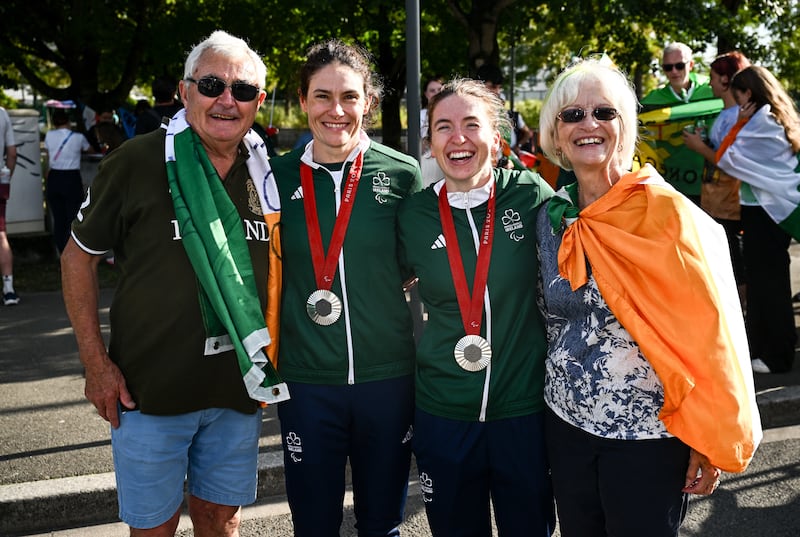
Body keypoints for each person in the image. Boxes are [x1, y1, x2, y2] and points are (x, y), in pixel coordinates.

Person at [60, 30, 287, 536]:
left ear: (259, 102)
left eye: (243, 90)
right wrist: (96, 366)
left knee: (219, 522)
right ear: (185, 93)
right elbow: (77, 259)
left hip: (237, 390)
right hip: (149, 394)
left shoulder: (270, 172)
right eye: (211, 84)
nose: (227, 100)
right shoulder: (137, 161)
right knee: (154, 529)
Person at [536, 56, 762, 536]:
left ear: (627, 125)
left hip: (648, 438)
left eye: (604, 112)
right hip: (566, 428)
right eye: (572, 115)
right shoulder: (551, 218)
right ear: (555, 135)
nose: (588, 124)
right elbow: (550, 321)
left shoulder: (673, 217)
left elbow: (715, 336)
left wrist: (709, 437)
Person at [269, 39, 421, 537]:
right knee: (314, 525)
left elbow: (417, 264)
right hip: (307, 383)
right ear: (302, 100)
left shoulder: (402, 174)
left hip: (387, 378)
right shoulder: (273, 176)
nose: (337, 111)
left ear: (369, 103)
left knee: (383, 525)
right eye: (322, 96)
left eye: (350, 97)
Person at [397, 78, 555, 536]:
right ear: (430, 143)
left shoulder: (532, 196)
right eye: (443, 127)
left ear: (497, 138)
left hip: (522, 412)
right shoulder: (413, 215)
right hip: (443, 412)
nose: (458, 138)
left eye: (471, 124)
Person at [714, 65, 800, 375]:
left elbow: (726, 157)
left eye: (737, 98)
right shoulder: (777, 118)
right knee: (769, 283)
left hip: (765, 212)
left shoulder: (758, 123)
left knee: (769, 286)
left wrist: (736, 124)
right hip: (770, 212)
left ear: (747, 94)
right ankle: (768, 349)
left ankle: (777, 355)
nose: (736, 105)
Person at [682, 51, 751, 307]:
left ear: (725, 79)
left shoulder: (738, 116)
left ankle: (742, 312)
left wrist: (699, 147)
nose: (709, 83)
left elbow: (732, 161)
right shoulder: (727, 113)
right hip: (715, 200)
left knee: (736, 262)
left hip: (729, 204)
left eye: (712, 77)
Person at [43, 108, 92, 254]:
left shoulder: (49, 135)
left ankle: (61, 251)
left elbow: (46, 156)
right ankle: (72, 251)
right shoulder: (78, 137)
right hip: (71, 179)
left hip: (54, 177)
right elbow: (89, 150)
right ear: (68, 121)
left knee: (59, 218)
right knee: (73, 217)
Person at [475, 63, 533, 167]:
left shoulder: (502, 113)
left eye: (499, 88)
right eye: (493, 87)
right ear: (479, 85)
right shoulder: (470, 112)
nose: (497, 92)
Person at [640, 42, 716, 110]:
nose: (674, 71)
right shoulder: (652, 101)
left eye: (680, 66)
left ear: (690, 65)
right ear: (663, 68)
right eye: (668, 67)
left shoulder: (712, 87)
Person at [0, 106, 18, 306]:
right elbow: (12, 153)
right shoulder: (2, 113)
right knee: (0, 234)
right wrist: (7, 177)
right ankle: (8, 288)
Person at [419, 75, 445, 186]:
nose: (436, 93)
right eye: (432, 91)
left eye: (439, 90)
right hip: (429, 160)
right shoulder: (421, 115)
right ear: (426, 94)